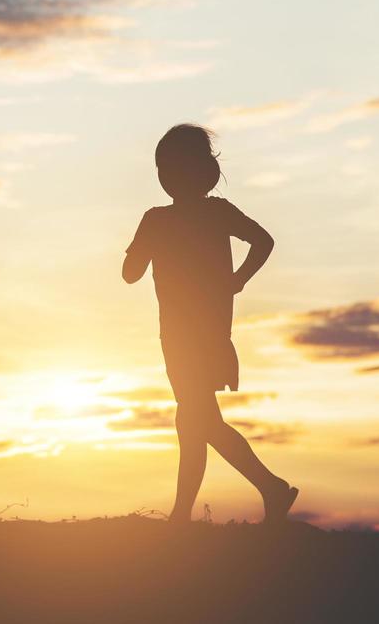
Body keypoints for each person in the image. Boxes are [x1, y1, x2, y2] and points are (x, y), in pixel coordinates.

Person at [123, 124, 298, 524]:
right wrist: (236, 280)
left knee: (196, 417)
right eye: (163, 169)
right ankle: (188, 512)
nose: (168, 177)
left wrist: (237, 280)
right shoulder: (189, 216)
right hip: (190, 334)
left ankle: (268, 487)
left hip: (194, 337)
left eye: (173, 168)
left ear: (199, 172)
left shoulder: (169, 218)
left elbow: (130, 273)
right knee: (195, 418)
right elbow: (263, 242)